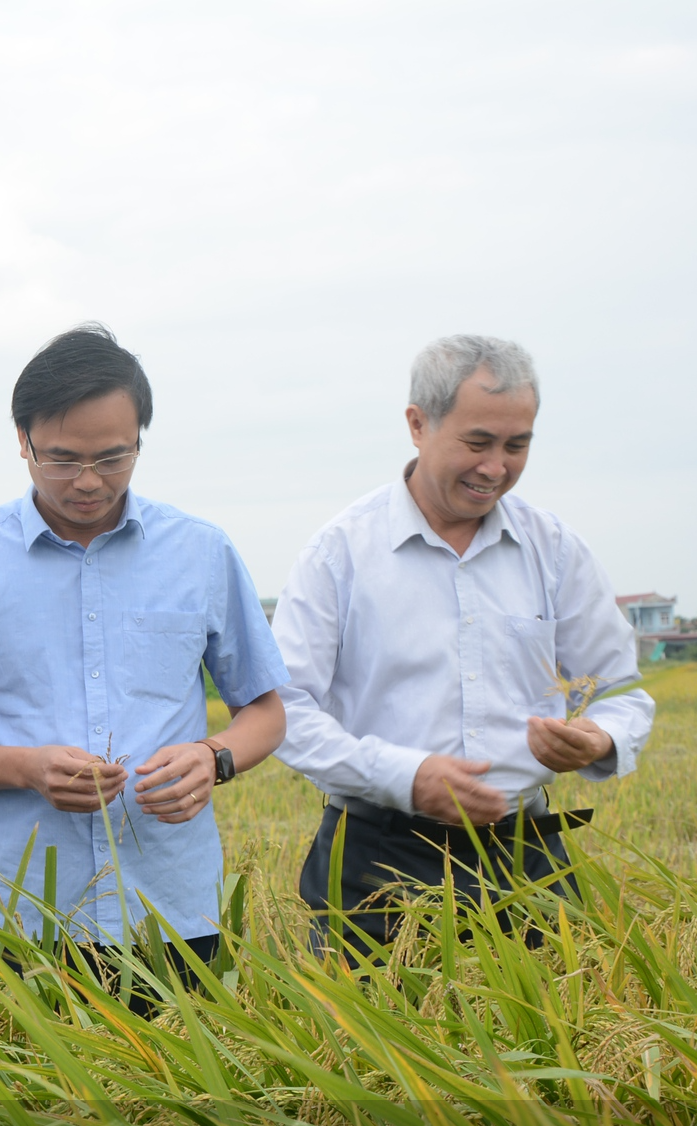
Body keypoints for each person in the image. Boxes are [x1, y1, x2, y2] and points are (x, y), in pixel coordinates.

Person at [0, 324, 287, 1008]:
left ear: (140, 441)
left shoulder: (200, 552)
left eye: (113, 457)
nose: (86, 481)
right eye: (61, 458)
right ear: (22, 440)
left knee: (185, 1109)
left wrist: (214, 757)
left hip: (171, 908)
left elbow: (266, 709)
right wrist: (26, 768)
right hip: (16, 918)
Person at [270, 335, 654, 959]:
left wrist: (600, 737)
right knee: (372, 1050)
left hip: (527, 856)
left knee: (549, 1039)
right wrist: (405, 775)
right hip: (377, 860)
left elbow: (621, 689)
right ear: (418, 425)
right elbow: (284, 711)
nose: (496, 467)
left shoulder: (553, 549)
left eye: (517, 445)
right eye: (477, 443)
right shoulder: (340, 553)